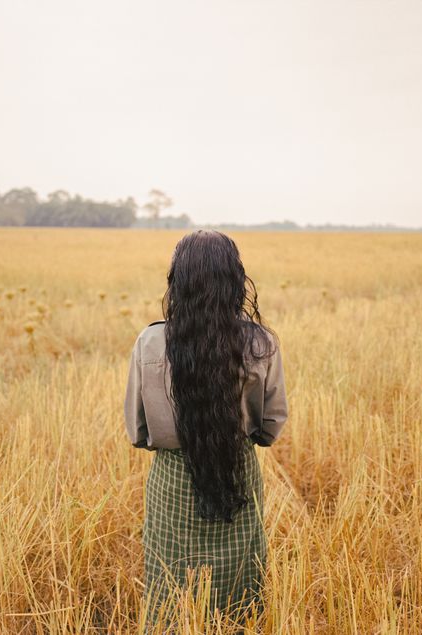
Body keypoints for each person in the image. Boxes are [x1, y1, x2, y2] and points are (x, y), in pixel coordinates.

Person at [123, 229, 288, 630]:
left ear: (178, 280)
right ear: (235, 279)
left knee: (172, 593)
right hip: (238, 475)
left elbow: (137, 429)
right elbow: (270, 426)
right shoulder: (260, 342)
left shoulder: (150, 341)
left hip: (172, 480)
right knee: (238, 595)